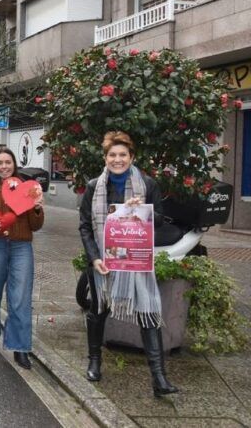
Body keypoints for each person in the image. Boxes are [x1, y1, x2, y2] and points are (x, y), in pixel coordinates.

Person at [79, 131, 178, 396]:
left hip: (135, 259)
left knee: (147, 312)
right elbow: (85, 226)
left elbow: (160, 222)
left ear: (132, 157)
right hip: (104, 259)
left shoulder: (147, 184)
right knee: (98, 309)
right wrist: (95, 257)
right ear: (105, 158)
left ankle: (159, 378)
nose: (118, 159)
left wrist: (142, 209)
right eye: (112, 155)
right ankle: (94, 362)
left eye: (123, 154)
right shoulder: (93, 187)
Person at [0, 146, 44, 369]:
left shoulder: (27, 189)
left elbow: (36, 225)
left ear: (14, 164)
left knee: (21, 298)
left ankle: (21, 347)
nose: (4, 166)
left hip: (21, 247)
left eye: (8, 162)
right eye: (0, 163)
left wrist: (36, 209)